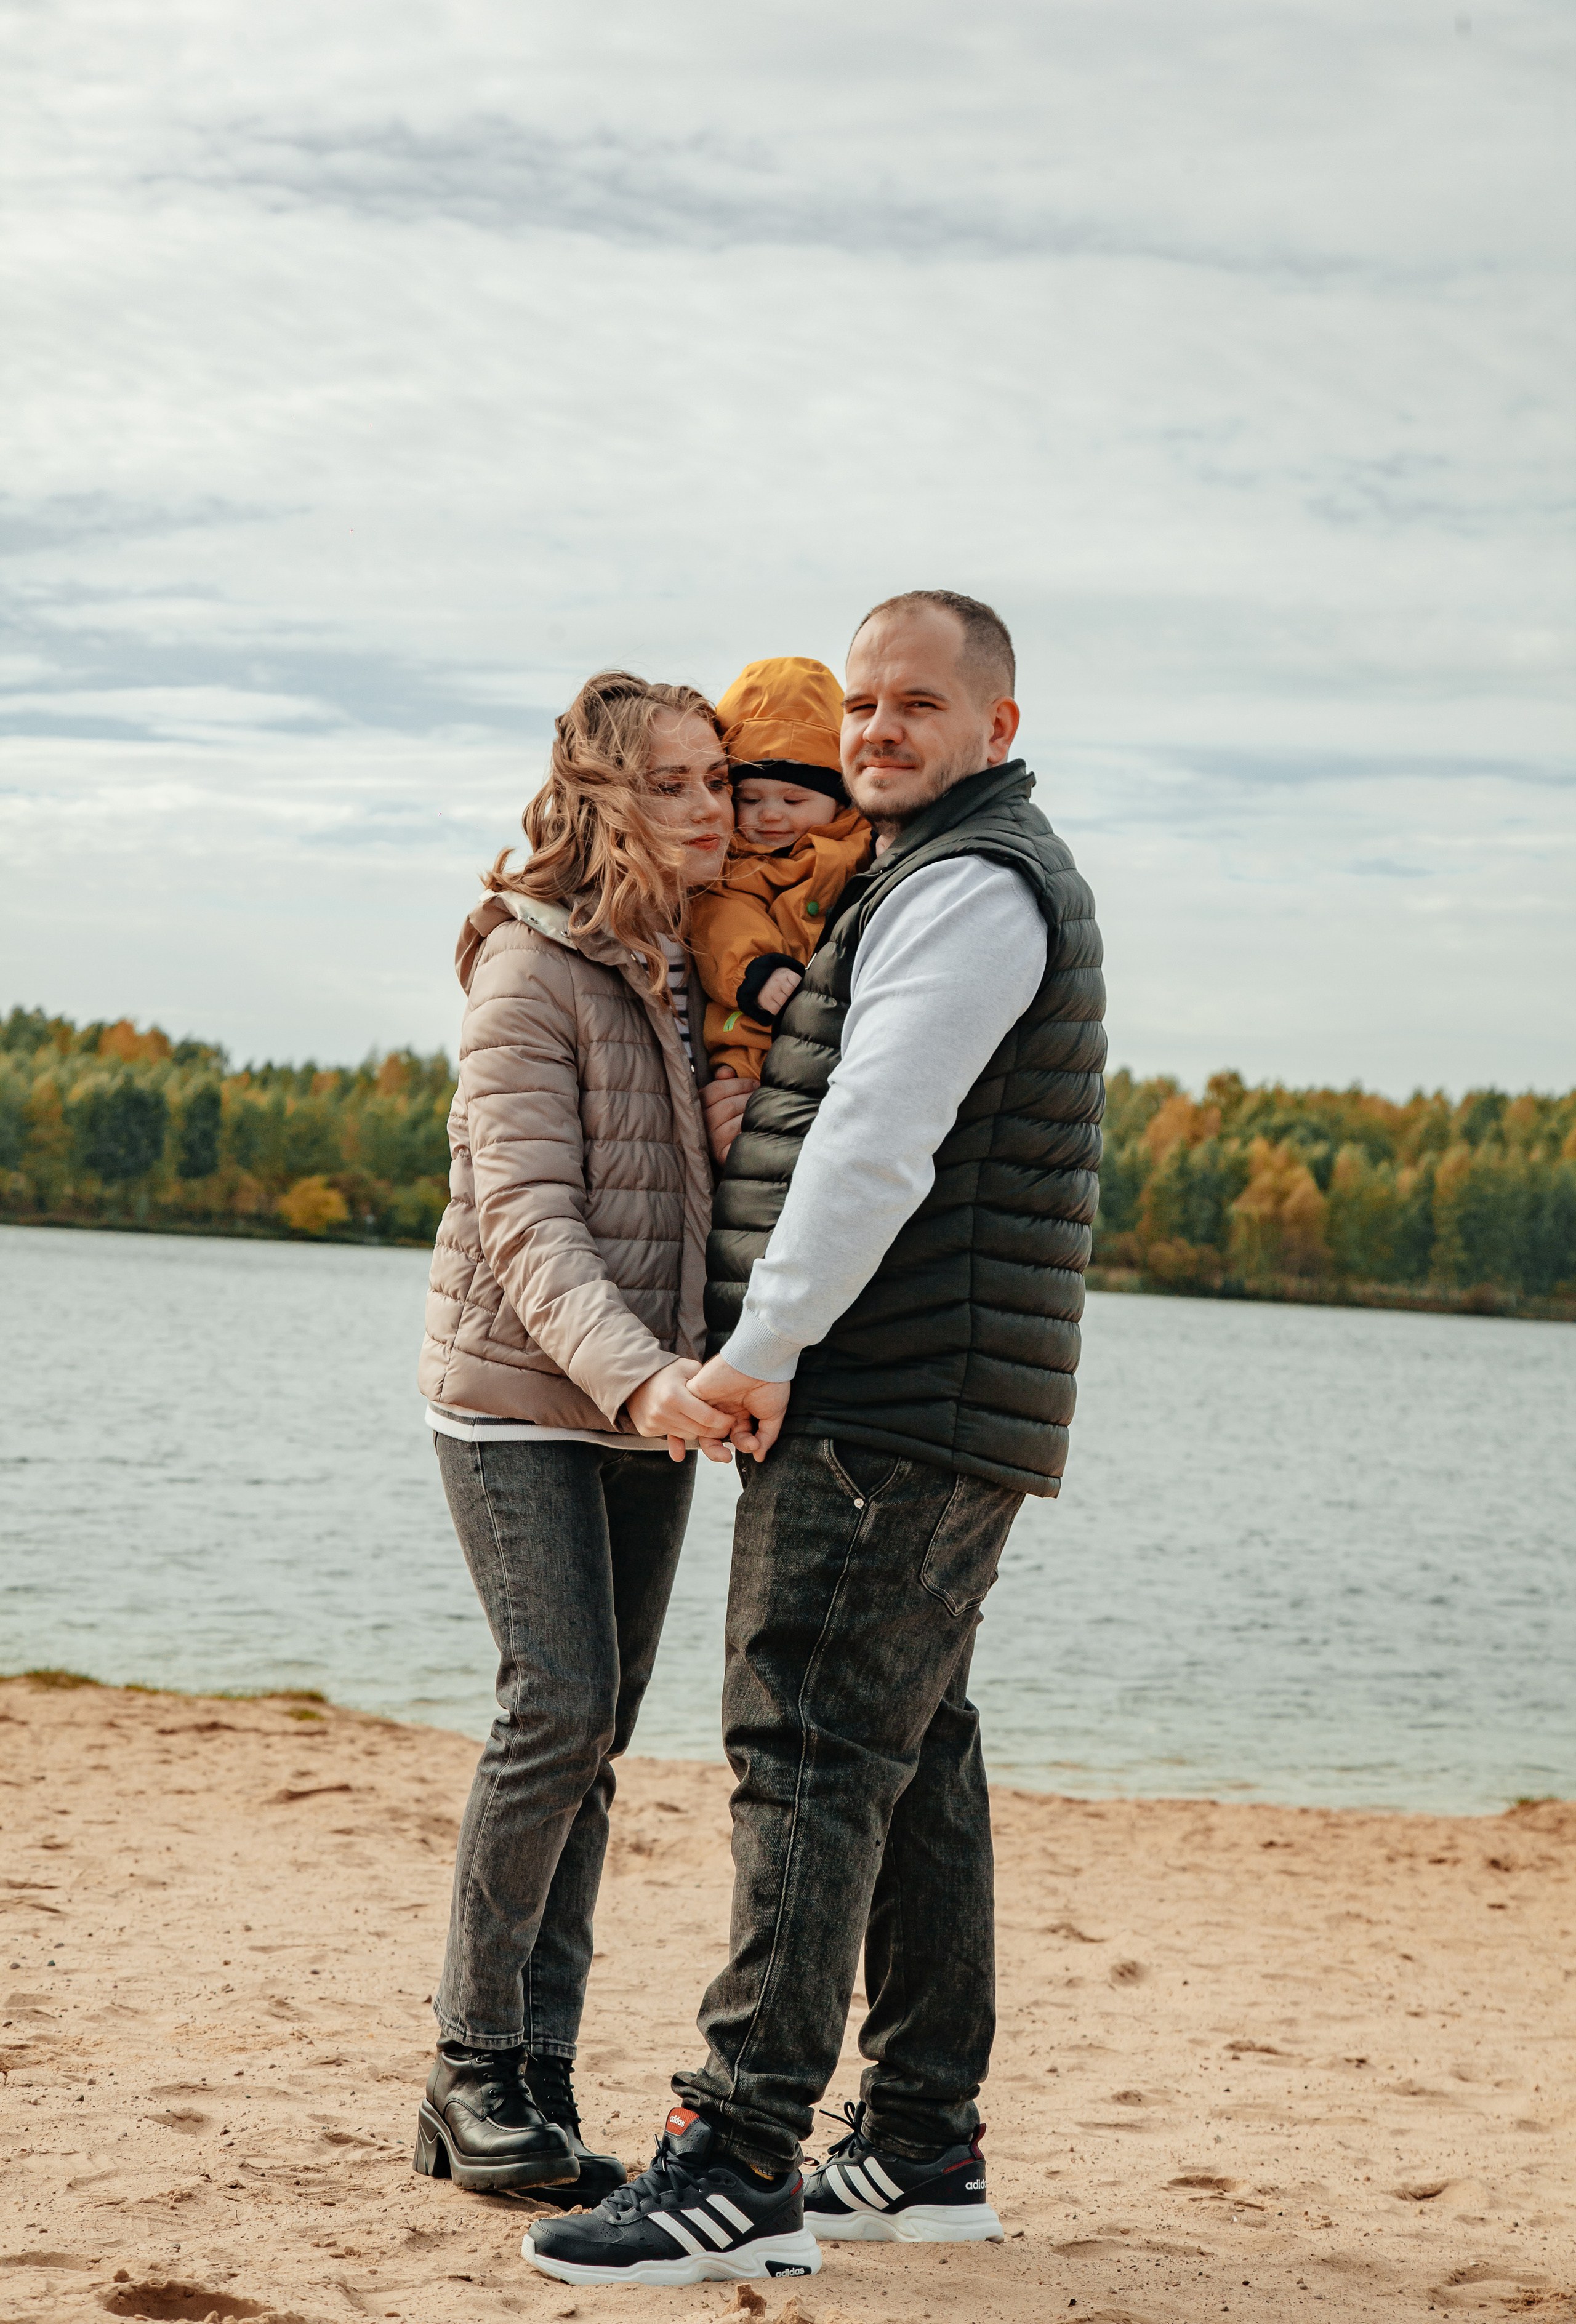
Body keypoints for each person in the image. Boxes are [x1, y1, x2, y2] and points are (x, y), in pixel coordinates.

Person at [522, 590, 1106, 2291]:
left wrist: (767, 1347)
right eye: (858, 704)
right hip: (931, 1388)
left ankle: (739, 2156)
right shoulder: (930, 873)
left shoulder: (970, 890)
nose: (874, 730)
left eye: (916, 703)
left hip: (887, 1395)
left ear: (996, 723)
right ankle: (921, 2143)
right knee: (910, 1748)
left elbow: (874, 1142)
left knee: (807, 1742)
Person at [411, 671, 749, 2205]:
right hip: (514, 1395)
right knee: (551, 1706)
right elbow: (531, 1219)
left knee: (596, 1740)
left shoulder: (681, 965)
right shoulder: (524, 972)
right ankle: (468, 2063)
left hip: (635, 1405)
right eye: (674, 783)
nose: (712, 809)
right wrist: (639, 1380)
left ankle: (531, 2084)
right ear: (603, 796)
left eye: (721, 780)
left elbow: (656, 1180)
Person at [687, 657, 872, 1081]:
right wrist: (753, 971)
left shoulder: (869, 846)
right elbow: (721, 920)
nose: (770, 815)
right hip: (751, 1033)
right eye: (751, 800)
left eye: (793, 801)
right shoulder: (736, 867)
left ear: (839, 800)